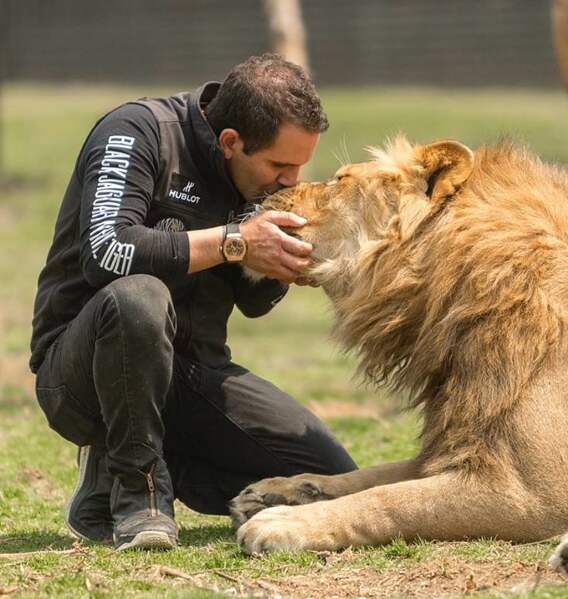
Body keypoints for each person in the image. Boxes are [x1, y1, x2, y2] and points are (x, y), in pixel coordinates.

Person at [29, 53, 357, 551]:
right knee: (140, 297)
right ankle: (140, 498)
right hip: (83, 375)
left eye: (299, 165)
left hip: (190, 375)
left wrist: (281, 264)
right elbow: (106, 253)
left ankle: (125, 465)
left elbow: (254, 303)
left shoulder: (260, 183)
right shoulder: (138, 132)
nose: (291, 179)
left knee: (327, 479)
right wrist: (235, 241)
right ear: (230, 142)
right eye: (280, 165)